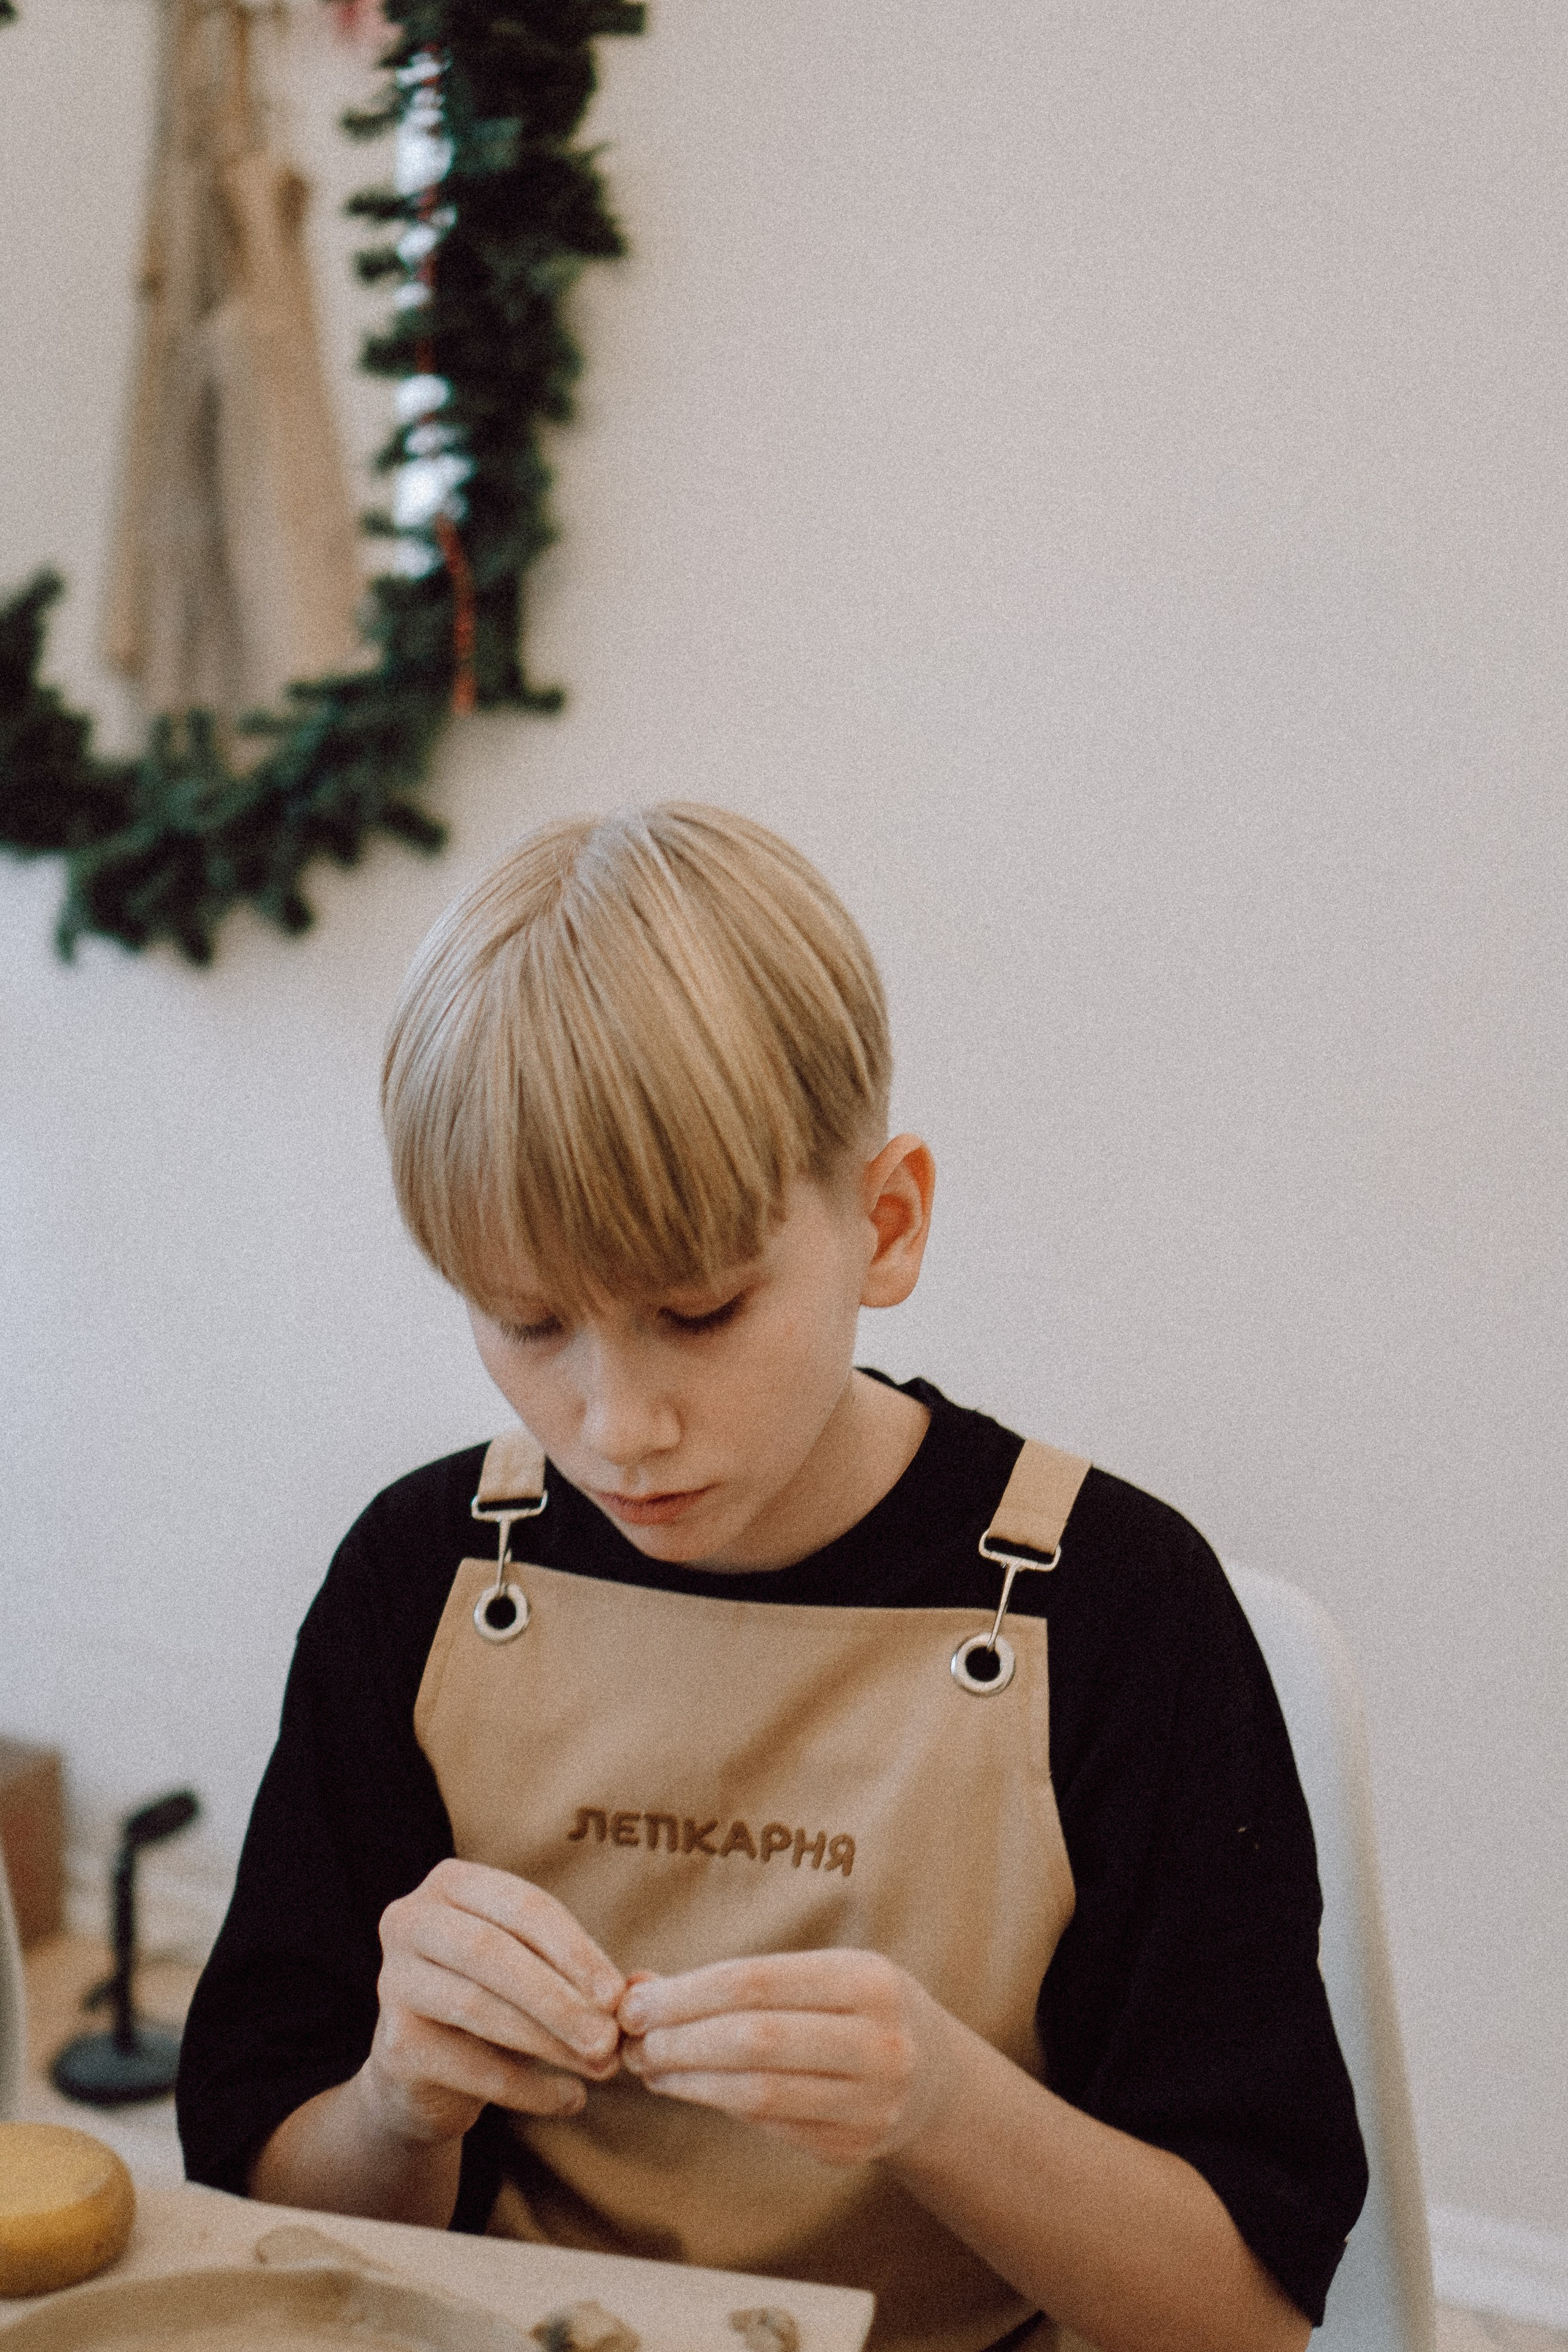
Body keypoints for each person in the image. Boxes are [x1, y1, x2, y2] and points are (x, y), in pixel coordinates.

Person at [176, 804, 1366, 2352]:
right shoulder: (419, 1576)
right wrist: (402, 2103)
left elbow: (1243, 2318)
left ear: (883, 1225)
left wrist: (937, 2103)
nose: (617, 1425)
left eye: (700, 1309)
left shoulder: (1116, 1608)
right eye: (528, 1324)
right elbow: (275, 2215)